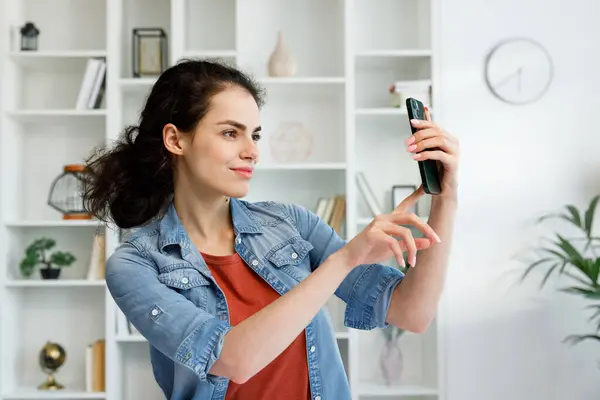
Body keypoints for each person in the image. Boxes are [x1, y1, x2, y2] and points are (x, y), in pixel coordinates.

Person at [82, 58, 459, 400]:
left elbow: (413, 313)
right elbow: (234, 359)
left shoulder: (291, 224)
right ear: (175, 139)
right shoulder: (135, 266)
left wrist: (447, 197)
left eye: (255, 135)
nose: (252, 151)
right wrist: (346, 258)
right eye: (231, 133)